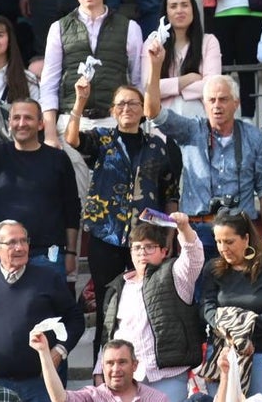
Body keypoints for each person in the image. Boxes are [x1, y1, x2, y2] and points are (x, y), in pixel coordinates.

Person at [65, 79, 180, 361]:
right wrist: (80, 101)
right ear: (113, 111)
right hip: (108, 234)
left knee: (149, 300)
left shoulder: (160, 146)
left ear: (143, 110)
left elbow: (170, 193)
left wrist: (170, 237)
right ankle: (103, 371)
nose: (127, 108)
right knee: (108, 304)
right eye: (121, 104)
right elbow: (72, 140)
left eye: (133, 103)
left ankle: (147, 364)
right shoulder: (102, 139)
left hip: (148, 238)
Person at [142, 45, 262, 256]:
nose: (217, 106)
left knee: (240, 290)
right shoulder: (191, 130)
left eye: (223, 99)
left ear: (236, 103)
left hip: (240, 231)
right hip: (197, 229)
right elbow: (152, 112)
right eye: (211, 100)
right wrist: (155, 66)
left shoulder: (256, 138)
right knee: (198, 289)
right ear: (204, 105)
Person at [0, 220, 85, 402]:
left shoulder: (47, 278)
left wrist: (59, 350)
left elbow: (76, 319)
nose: (20, 247)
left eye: (24, 241)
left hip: (40, 384)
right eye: (12, 242)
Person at [0, 88, 78, 278]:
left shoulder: (58, 159)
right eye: (16, 118)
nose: (21, 123)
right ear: (9, 122)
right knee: (6, 308)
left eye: (28, 118)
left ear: (40, 124)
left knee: (47, 308)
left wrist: (71, 252)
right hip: (6, 255)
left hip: (49, 255)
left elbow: (72, 208)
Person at [37, 0, 143, 146]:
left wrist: (137, 124)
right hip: (71, 120)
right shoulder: (58, 28)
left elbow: (138, 81)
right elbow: (49, 83)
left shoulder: (129, 27)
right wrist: (50, 134)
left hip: (115, 120)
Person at [100, 213, 204, 402]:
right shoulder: (118, 286)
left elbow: (194, 256)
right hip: (129, 379)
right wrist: (100, 370)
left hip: (169, 377)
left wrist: (184, 228)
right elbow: (110, 334)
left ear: (164, 251)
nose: (142, 253)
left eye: (149, 247)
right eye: (137, 248)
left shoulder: (175, 273)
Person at [199, 211, 262, 396]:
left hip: (261, 351)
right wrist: (232, 334)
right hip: (222, 351)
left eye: (229, 242)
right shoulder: (212, 268)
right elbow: (206, 308)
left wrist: (243, 334)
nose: (223, 248)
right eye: (218, 242)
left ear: (246, 238)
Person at [146, 0, 221, 117]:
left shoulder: (209, 41)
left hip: (199, 117)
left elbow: (211, 86)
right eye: (173, 6)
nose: (179, 10)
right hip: (162, 119)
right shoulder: (152, 44)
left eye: (185, 5)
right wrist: (185, 80)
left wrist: (167, 88)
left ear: (193, 10)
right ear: (166, 13)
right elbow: (147, 87)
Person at [32, 336, 167, 402]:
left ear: (134, 365)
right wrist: (44, 352)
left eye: (122, 362)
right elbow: (59, 398)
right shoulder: (92, 397)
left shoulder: (156, 399)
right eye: (110, 363)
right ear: (102, 367)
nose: (116, 369)